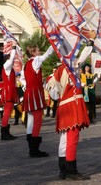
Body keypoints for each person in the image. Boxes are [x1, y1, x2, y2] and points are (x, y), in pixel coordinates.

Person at [46, 37, 95, 180]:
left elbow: (53, 94)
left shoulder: (62, 70)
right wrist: (89, 46)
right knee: (72, 138)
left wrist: (89, 46)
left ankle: (63, 170)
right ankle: (70, 170)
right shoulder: (68, 69)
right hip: (71, 107)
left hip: (64, 107)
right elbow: (80, 59)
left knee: (64, 140)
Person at [23, 45, 54, 157]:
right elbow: (46, 55)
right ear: (33, 53)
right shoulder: (35, 60)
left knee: (31, 120)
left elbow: (23, 79)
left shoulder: (26, 64)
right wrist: (54, 44)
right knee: (37, 120)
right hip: (34, 92)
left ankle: (32, 148)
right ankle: (34, 149)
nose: (39, 51)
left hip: (29, 92)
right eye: (37, 50)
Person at [0, 47, 20, 140]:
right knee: (7, 112)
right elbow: (12, 58)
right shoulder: (7, 65)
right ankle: (4, 133)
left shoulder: (9, 68)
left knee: (7, 111)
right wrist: (13, 48)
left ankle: (6, 132)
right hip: (8, 91)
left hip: (10, 90)